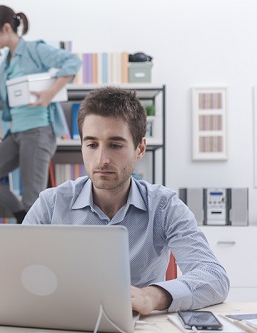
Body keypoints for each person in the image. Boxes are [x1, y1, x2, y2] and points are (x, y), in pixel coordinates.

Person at [23, 87, 229, 315]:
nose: (101, 160)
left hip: (139, 325)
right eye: (92, 145)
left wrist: (152, 296)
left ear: (140, 148)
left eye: (115, 145)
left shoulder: (164, 206)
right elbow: (14, 271)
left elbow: (214, 277)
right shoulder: (50, 204)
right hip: (65, 321)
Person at [0, 5, 82, 224]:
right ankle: (22, 215)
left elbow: (72, 62)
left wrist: (49, 93)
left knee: (33, 199)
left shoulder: (34, 50)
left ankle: (33, 245)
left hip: (38, 131)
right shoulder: (6, 65)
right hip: (16, 134)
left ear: (6, 28)